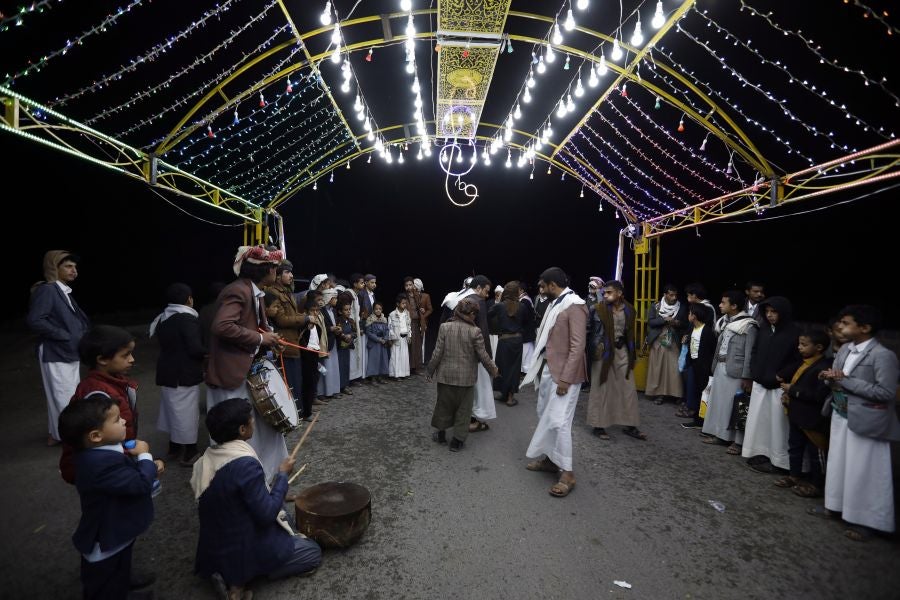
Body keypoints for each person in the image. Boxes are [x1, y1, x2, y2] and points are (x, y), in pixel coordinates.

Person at [192, 398, 321, 600]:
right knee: (312, 552)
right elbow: (266, 516)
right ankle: (242, 579)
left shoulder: (206, 459)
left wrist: (275, 492)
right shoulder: (244, 465)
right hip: (242, 544)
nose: (254, 422)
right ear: (242, 430)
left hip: (217, 540)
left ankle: (231, 574)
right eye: (251, 420)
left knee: (281, 507)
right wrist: (283, 475)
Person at [58, 393, 161, 599]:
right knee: (104, 583)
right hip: (107, 535)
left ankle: (123, 590)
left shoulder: (97, 452)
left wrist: (146, 467)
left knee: (120, 567)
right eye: (116, 420)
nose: (123, 420)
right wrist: (145, 457)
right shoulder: (98, 465)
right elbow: (140, 484)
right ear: (96, 435)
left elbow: (125, 477)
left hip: (119, 529)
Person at [810, 305, 900, 541]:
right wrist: (828, 378)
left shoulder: (883, 356)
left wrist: (845, 382)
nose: (840, 326)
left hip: (868, 420)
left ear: (865, 328)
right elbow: (837, 379)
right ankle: (835, 506)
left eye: (847, 323)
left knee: (866, 472)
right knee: (839, 464)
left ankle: (866, 521)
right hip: (841, 414)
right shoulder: (846, 350)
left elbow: (887, 392)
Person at [206, 245, 287, 482]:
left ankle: (274, 479)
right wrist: (262, 338)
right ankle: (243, 486)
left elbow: (254, 327)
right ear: (267, 270)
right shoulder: (238, 291)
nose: (277, 272)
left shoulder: (254, 291)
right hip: (232, 376)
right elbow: (222, 326)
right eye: (275, 268)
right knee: (238, 436)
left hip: (247, 372)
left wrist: (270, 340)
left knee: (268, 431)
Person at [522, 267, 587, 498]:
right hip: (549, 370)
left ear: (552, 285)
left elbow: (578, 346)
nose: (541, 290)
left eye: (543, 286)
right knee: (545, 416)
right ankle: (550, 461)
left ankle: (567, 473)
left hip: (564, 376)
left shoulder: (575, 305)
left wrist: (566, 379)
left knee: (559, 423)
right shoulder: (555, 303)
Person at [60, 325, 140, 485]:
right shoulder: (97, 394)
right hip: (107, 470)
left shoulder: (112, 382)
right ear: (102, 359)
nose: (132, 359)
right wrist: (135, 459)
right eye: (126, 355)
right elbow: (101, 441)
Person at [27, 250, 91, 446]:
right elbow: (35, 320)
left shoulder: (61, 290)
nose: (74, 270)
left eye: (75, 267)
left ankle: (58, 434)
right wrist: (65, 336)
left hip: (66, 351)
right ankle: (73, 438)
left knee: (62, 394)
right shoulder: (48, 290)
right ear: (54, 267)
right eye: (68, 266)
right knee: (65, 395)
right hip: (56, 351)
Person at [426, 299, 499, 451]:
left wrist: (430, 371)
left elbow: (437, 352)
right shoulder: (475, 331)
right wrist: (493, 370)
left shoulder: (445, 327)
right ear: (471, 314)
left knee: (443, 406)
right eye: (475, 314)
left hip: (445, 377)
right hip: (466, 380)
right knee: (464, 410)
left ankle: (441, 435)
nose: (475, 317)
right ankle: (457, 441)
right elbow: (483, 355)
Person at [742, 297, 801, 473]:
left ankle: (780, 462)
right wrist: (754, 371)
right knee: (759, 423)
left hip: (779, 386)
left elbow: (798, 360)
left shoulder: (794, 333)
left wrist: (781, 375)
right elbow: (754, 351)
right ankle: (761, 453)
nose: (770, 315)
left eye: (774, 312)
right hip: (761, 383)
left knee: (778, 427)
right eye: (767, 312)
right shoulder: (764, 329)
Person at [151, 282, 206, 466]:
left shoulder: (162, 317)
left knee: (171, 410)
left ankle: (174, 447)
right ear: (189, 299)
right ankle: (190, 451)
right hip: (184, 373)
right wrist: (209, 353)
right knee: (186, 413)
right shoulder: (186, 318)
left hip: (167, 371)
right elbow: (194, 348)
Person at [775, 328, 832, 497]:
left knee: (816, 453)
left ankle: (816, 484)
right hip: (797, 414)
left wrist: (793, 391)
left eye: (804, 345)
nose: (799, 347)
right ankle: (794, 476)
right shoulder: (803, 362)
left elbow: (819, 395)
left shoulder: (823, 367)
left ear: (819, 347)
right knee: (795, 447)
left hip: (812, 418)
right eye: (799, 344)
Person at [587, 280, 646, 441]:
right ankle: (598, 425)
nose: (605, 295)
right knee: (602, 388)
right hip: (603, 353)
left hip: (622, 351)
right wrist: (591, 349)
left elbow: (629, 333)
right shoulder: (597, 309)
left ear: (619, 293)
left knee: (627, 388)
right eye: (604, 292)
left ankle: (630, 425)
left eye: (609, 292)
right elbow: (588, 331)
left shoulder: (629, 310)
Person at [701, 290, 758, 454]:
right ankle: (720, 435)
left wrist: (747, 376)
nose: (720, 305)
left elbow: (749, 353)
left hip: (736, 371)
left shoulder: (749, 325)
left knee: (735, 406)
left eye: (723, 302)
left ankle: (737, 441)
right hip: (721, 366)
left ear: (734, 306)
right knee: (720, 403)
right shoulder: (725, 322)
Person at [264, 260, 307, 410]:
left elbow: (293, 314)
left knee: (296, 380)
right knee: (288, 382)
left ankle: (298, 412)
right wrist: (305, 319)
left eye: (291, 272)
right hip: (283, 344)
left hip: (293, 341)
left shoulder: (288, 291)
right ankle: (291, 414)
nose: (291, 275)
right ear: (277, 275)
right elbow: (281, 320)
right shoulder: (272, 293)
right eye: (287, 272)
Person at [487, 281, 534, 407]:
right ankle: (509, 397)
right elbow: (526, 321)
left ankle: (504, 393)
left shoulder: (500, 306)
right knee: (514, 368)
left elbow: (488, 315)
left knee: (502, 366)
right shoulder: (522, 306)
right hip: (517, 340)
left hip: (504, 340)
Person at [644, 283, 686, 405]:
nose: (674, 297)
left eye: (675, 295)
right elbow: (650, 322)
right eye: (671, 295)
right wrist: (664, 319)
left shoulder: (681, 307)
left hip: (674, 341)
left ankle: (676, 394)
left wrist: (677, 323)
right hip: (659, 340)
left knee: (674, 368)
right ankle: (659, 394)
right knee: (658, 368)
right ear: (665, 295)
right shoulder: (656, 306)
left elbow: (685, 324)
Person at [678, 303, 717, 428]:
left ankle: (702, 421)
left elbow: (711, 350)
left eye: (690, 313)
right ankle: (697, 419)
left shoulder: (706, 331)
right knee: (695, 392)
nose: (688, 315)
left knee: (703, 394)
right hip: (693, 365)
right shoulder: (692, 329)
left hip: (703, 367)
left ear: (694, 316)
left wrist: (708, 367)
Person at [298, 292, 324, 421]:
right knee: (305, 384)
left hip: (314, 356)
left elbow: (316, 343)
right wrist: (306, 327)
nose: (314, 313)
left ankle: (308, 409)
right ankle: (305, 412)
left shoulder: (318, 328)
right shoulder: (303, 325)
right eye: (312, 311)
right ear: (306, 312)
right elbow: (300, 341)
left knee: (312, 383)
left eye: (316, 311)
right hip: (305, 357)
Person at [317, 288, 342, 399]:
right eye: (334, 298)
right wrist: (331, 329)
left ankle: (333, 390)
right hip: (324, 343)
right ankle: (323, 393)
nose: (336, 300)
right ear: (329, 298)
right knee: (325, 367)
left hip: (333, 342)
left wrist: (337, 329)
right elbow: (320, 327)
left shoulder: (333, 311)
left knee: (333, 367)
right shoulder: (321, 311)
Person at [403, 277, 426, 374]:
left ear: (413, 285)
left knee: (417, 345)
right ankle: (409, 367)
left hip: (417, 322)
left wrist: (422, 310)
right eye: (406, 285)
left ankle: (417, 367)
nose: (409, 287)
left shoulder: (417, 295)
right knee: (410, 345)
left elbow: (422, 307)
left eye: (410, 285)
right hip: (408, 322)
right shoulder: (403, 297)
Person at [335, 300, 357, 395]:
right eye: (346, 310)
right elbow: (337, 333)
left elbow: (355, 332)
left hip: (347, 347)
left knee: (346, 366)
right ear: (340, 311)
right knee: (340, 367)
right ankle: (338, 386)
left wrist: (351, 336)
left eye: (349, 309)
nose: (348, 311)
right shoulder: (338, 321)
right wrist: (344, 336)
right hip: (339, 347)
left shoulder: (351, 321)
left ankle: (345, 385)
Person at [348, 273, 367, 383]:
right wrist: (354, 327)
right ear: (355, 284)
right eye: (361, 282)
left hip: (356, 326)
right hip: (351, 328)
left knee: (356, 353)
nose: (363, 284)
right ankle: (350, 378)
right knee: (352, 353)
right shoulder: (349, 294)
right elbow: (349, 313)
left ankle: (355, 377)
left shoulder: (357, 295)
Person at [365, 302, 391, 384]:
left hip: (383, 343)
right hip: (374, 343)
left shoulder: (384, 319)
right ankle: (373, 377)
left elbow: (387, 330)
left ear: (382, 310)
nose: (378, 310)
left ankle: (380, 376)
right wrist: (378, 339)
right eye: (376, 309)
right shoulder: (370, 319)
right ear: (373, 310)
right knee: (374, 360)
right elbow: (369, 333)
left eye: (380, 309)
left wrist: (385, 338)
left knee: (382, 360)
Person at [388, 294, 412, 379]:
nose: (404, 305)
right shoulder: (392, 314)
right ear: (398, 304)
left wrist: (409, 336)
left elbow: (409, 325)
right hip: (396, 338)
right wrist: (392, 338)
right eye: (403, 303)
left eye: (405, 303)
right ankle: (396, 374)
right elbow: (390, 328)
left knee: (404, 356)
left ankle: (404, 374)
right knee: (396, 357)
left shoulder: (407, 313)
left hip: (404, 338)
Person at [413, 278, 434, 362]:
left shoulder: (426, 296)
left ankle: (420, 362)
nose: (413, 287)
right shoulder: (410, 296)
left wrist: (423, 316)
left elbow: (430, 309)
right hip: (412, 321)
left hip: (422, 322)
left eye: (414, 285)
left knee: (421, 342)